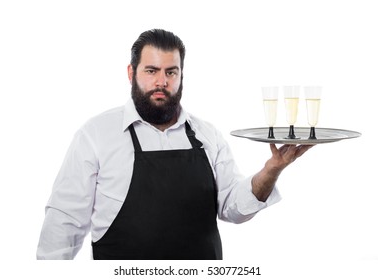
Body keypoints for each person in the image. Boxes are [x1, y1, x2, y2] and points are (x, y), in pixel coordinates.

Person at [36, 29, 313, 260]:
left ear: (181, 76)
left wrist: (273, 168)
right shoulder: (96, 134)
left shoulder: (207, 135)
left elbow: (233, 208)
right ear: (131, 73)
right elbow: (64, 222)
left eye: (171, 72)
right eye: (151, 70)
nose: (161, 81)